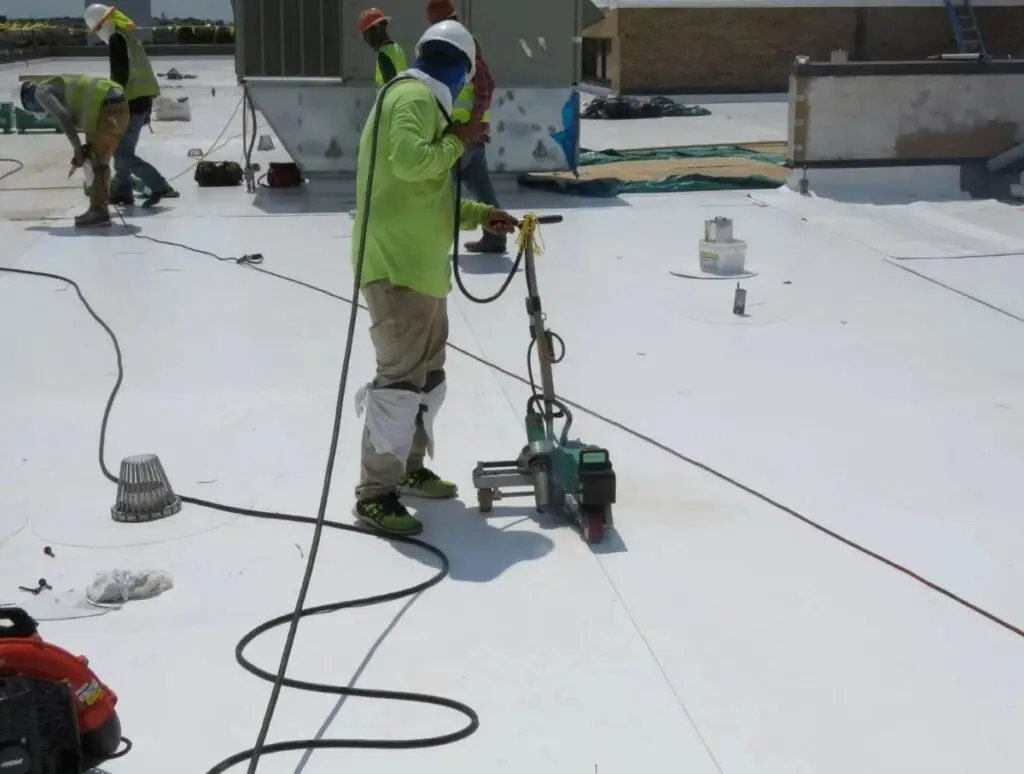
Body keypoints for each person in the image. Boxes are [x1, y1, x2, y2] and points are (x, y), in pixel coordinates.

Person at [351, 19, 518, 536]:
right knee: (399, 383)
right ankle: (375, 493)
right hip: (396, 268)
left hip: (421, 269)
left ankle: (410, 469)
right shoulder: (414, 100)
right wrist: (459, 141)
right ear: (461, 70)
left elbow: (428, 196)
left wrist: (475, 215)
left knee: (427, 378)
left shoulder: (422, 102)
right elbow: (408, 162)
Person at [426, 0, 506, 254]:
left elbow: (485, 83)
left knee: (438, 191)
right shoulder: (454, 40)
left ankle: (434, 245)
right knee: (480, 185)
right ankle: (496, 237)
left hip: (460, 133)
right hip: (467, 132)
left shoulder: (461, 42)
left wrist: (473, 122)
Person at [84, 4, 178, 208]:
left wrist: (113, 102)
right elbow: (144, 72)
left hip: (131, 102)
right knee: (122, 149)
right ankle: (123, 190)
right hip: (141, 101)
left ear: (105, 24)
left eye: (99, 28)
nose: (99, 33)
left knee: (123, 155)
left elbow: (120, 76)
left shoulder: (117, 40)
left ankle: (160, 186)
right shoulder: (130, 38)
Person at [18, 75, 129, 228]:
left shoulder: (41, 93)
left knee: (97, 160)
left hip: (107, 107)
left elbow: (62, 116)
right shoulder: (57, 87)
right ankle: (97, 209)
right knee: (97, 157)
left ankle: (99, 212)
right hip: (116, 105)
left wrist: (77, 147)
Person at [359, 7, 408, 86]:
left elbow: (391, 88)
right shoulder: (397, 48)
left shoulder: (383, 55)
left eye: (366, 34)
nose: (365, 39)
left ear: (377, 29)